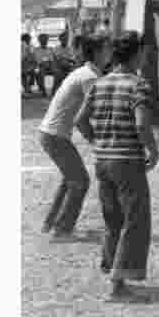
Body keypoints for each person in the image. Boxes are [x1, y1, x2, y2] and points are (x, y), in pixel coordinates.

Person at [74, 31, 159, 302]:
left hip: (103, 161)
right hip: (128, 162)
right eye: (144, 52)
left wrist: (97, 141)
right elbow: (142, 123)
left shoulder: (100, 84)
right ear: (135, 54)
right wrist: (153, 149)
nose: (146, 57)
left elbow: (80, 121)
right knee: (135, 219)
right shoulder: (138, 85)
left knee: (113, 220)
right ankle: (119, 285)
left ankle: (112, 270)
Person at [38, 35, 106, 238]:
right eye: (107, 48)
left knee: (70, 180)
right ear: (97, 52)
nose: (111, 52)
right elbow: (90, 113)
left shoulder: (84, 72)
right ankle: (62, 229)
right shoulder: (89, 77)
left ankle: (52, 223)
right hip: (54, 135)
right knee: (80, 181)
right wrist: (97, 140)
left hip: (51, 133)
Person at [51, 31, 78, 95]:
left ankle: (72, 91)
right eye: (63, 39)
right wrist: (68, 59)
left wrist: (67, 59)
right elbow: (58, 58)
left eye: (66, 39)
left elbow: (73, 58)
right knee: (63, 63)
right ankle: (54, 91)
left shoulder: (70, 48)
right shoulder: (56, 48)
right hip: (58, 66)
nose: (64, 40)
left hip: (68, 66)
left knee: (72, 67)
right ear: (60, 39)